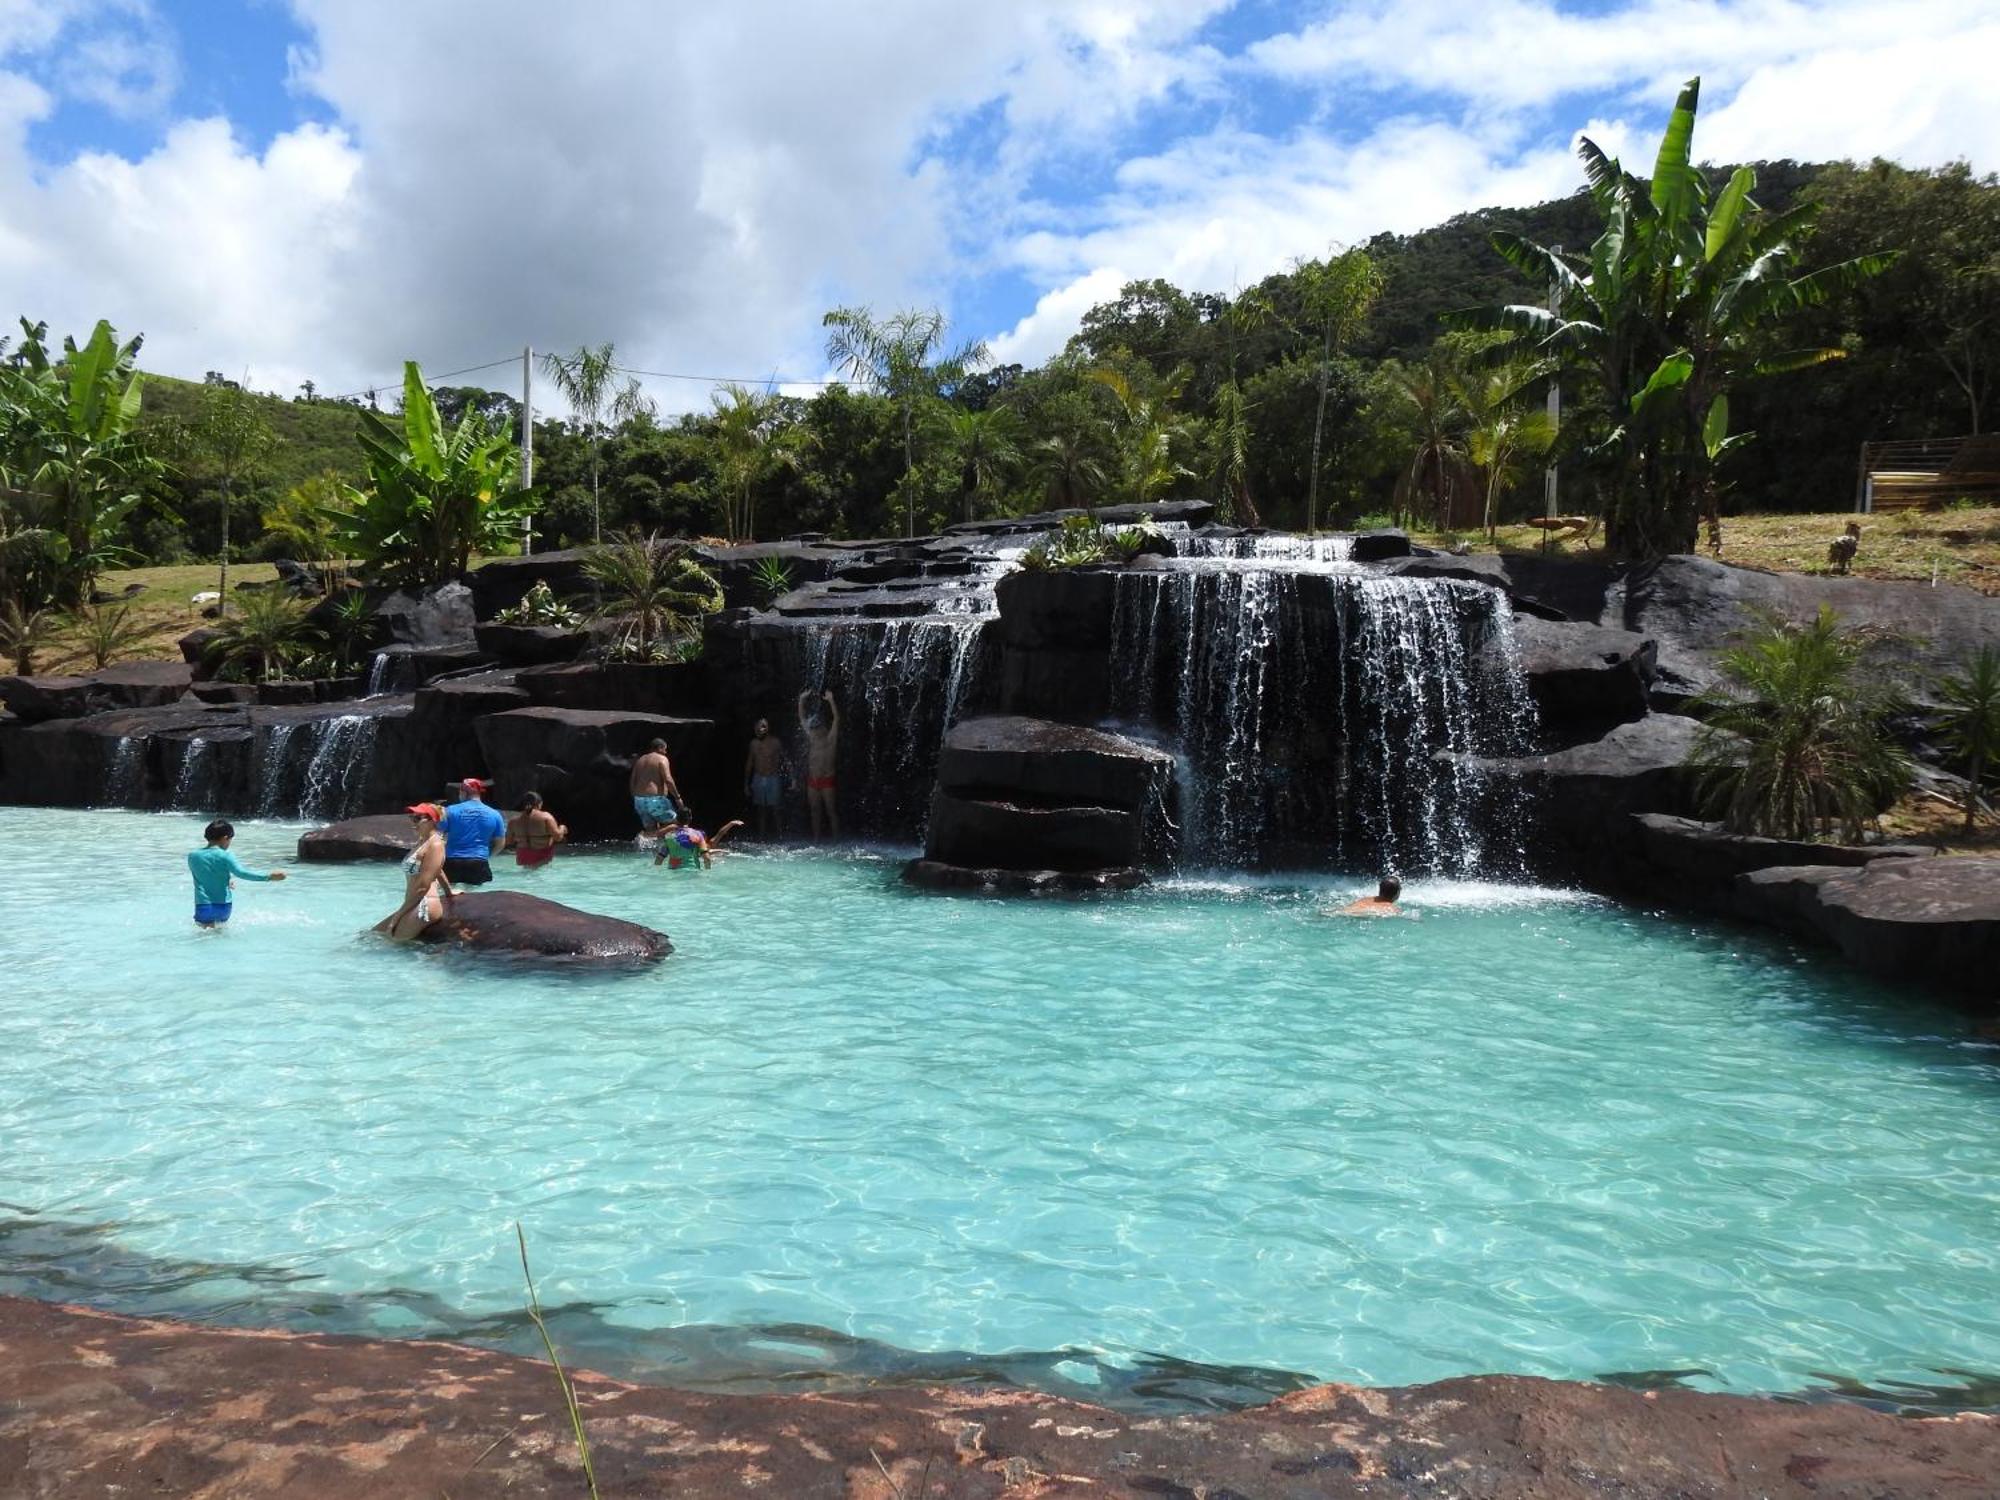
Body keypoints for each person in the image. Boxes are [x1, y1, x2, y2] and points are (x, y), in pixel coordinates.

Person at [187, 820, 287, 928]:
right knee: (219, 933)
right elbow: (242, 873)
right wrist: (268, 877)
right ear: (225, 838)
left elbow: (204, 874)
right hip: (223, 906)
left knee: (203, 935)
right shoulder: (226, 855)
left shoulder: (193, 856)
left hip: (203, 905)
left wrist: (227, 879)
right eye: (230, 839)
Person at [376, 803, 453, 942]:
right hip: (414, 903)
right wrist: (449, 892)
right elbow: (437, 870)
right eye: (412, 818)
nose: (413, 822)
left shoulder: (435, 845)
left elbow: (423, 887)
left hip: (424, 906)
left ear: (432, 820)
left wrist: (398, 916)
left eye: (418, 818)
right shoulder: (423, 842)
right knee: (373, 935)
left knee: (389, 943)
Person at [438, 777, 508, 885]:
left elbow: (438, 835)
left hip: (452, 861)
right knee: (477, 899)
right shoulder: (494, 814)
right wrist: (488, 856)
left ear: (463, 792)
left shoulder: (450, 810)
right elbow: (500, 843)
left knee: (449, 897)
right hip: (479, 862)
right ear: (479, 793)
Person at [797, 688, 840, 839]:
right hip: (812, 781)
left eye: (818, 727)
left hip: (827, 780)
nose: (814, 729)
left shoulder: (831, 739)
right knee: (815, 811)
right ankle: (816, 840)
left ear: (824, 728)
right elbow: (802, 719)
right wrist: (801, 700)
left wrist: (831, 700)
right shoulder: (813, 739)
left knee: (830, 811)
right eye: (814, 727)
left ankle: (836, 840)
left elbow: (836, 719)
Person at [743, 717, 790, 838]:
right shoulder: (753, 744)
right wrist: (746, 784)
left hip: (773, 778)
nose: (760, 729)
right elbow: (750, 763)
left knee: (776, 809)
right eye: (758, 726)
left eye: (763, 726)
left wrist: (793, 777)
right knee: (761, 810)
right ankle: (761, 837)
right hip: (758, 778)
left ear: (768, 728)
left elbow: (785, 760)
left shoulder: (775, 742)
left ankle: (780, 836)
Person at [630, 738, 684, 836]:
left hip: (639, 801)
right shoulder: (662, 758)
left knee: (651, 831)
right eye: (665, 749)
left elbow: (632, 781)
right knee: (679, 823)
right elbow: (668, 779)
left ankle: (649, 837)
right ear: (659, 748)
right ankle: (648, 835)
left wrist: (636, 797)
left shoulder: (640, 760)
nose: (666, 752)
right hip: (655, 800)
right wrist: (678, 797)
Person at [505, 791, 567, 869]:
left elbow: (508, 842)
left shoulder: (513, 821)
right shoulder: (546, 817)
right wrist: (562, 828)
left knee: (527, 875)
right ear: (539, 803)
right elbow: (558, 837)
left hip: (523, 857)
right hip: (542, 856)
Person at [654, 818, 745, 871]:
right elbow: (719, 836)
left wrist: (731, 824)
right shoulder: (703, 844)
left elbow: (720, 834)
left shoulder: (708, 844)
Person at [1337, 875, 1407, 918]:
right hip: (1355, 915)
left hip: (1342, 912)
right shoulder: (1392, 908)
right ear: (1397, 892)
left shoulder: (1366, 899)